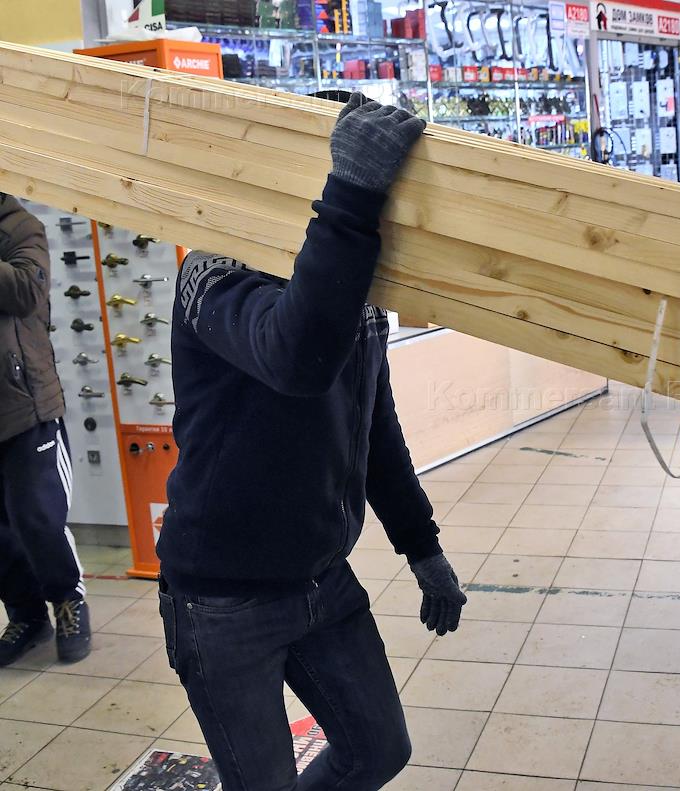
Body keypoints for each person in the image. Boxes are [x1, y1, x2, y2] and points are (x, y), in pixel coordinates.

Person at [156, 94, 468, 791]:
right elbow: (296, 356)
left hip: (322, 579)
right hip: (223, 598)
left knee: (378, 750)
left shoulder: (353, 287)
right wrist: (350, 199)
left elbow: (374, 427)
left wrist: (422, 546)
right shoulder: (212, 271)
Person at [0, 192, 90, 667]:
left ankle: (68, 601)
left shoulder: (19, 226)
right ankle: (26, 614)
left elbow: (25, 291)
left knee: (37, 517)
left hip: (26, 405)